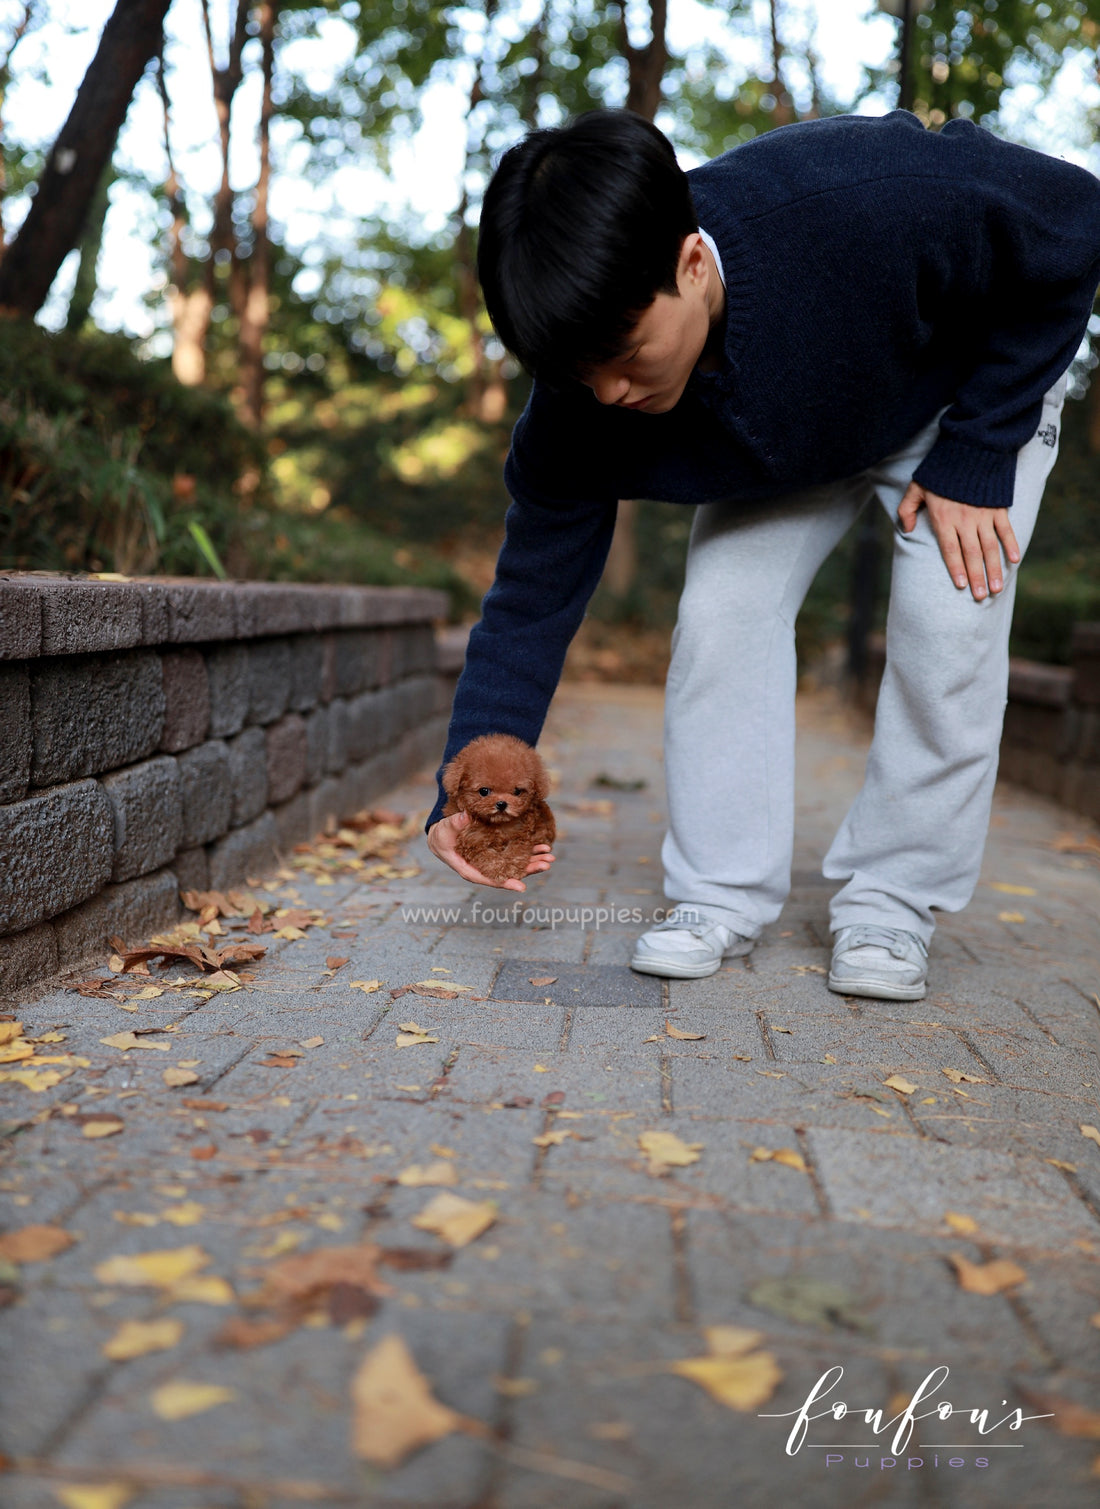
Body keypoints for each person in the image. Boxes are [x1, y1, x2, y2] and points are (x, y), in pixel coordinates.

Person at [425, 107, 1100, 1002]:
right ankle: (718, 892)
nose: (609, 392)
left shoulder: (875, 194)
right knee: (720, 614)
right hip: (798, 440)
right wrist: (466, 784)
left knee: (949, 626)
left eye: (626, 355)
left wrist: (983, 444)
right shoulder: (581, 403)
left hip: (959, 394)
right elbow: (531, 598)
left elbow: (1079, 220)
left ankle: (894, 900)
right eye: (578, 372)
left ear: (691, 263)